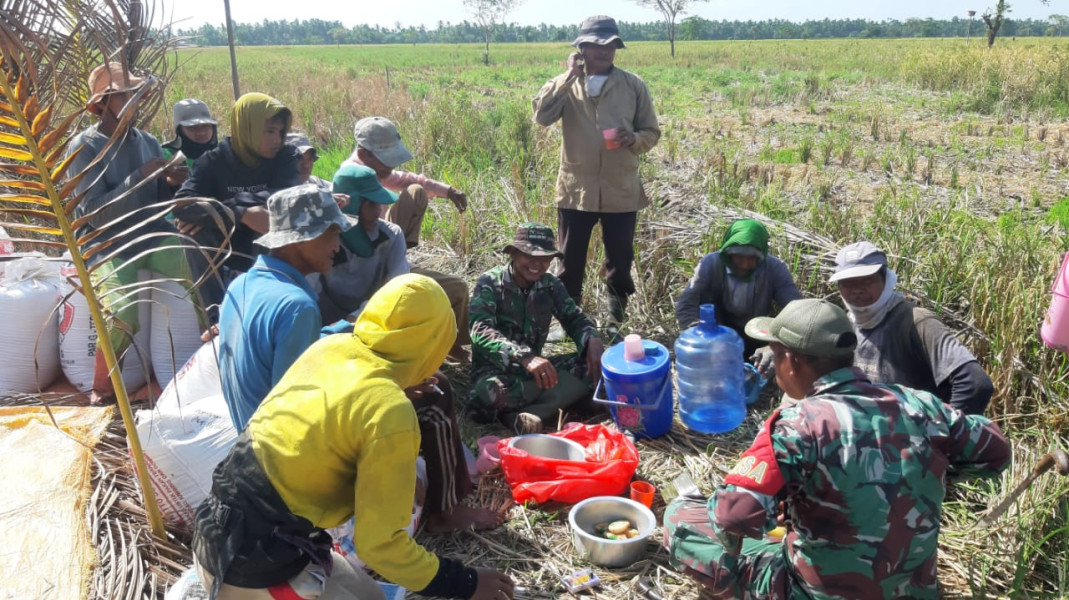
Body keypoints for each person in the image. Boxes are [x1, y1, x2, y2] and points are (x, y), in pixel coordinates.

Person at [662, 298, 1010, 599]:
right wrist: (929, 470)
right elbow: (996, 451)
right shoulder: (921, 405)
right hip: (913, 591)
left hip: (816, 593)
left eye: (776, 355)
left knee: (680, 515)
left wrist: (769, 516)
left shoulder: (795, 425)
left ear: (792, 362)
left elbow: (732, 516)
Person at [193, 274, 513, 600]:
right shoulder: (390, 411)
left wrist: (399, 382)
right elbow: (381, 546)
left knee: (371, 595)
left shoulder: (331, 347)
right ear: (435, 343)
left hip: (217, 530)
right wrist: (466, 582)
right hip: (252, 565)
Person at [66, 62, 207, 403]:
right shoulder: (84, 147)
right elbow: (94, 215)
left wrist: (172, 183)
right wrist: (140, 176)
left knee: (201, 273)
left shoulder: (147, 141)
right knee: (123, 311)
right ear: (102, 104)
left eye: (135, 94)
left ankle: (210, 360)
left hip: (151, 234)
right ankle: (102, 387)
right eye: (124, 95)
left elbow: (158, 206)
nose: (134, 101)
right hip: (107, 244)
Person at [532, 15, 660, 336]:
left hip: (621, 188)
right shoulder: (566, 84)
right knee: (569, 261)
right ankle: (569, 324)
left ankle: (615, 321)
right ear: (582, 48)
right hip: (576, 189)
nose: (604, 51)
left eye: (610, 45)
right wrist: (568, 77)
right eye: (596, 45)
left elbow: (651, 131)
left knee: (620, 259)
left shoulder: (633, 85)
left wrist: (634, 139)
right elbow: (542, 116)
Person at [217, 184, 355, 431]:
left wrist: (342, 330)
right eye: (331, 234)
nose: (337, 246)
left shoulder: (240, 285)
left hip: (246, 439)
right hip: (278, 448)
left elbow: (271, 354)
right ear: (298, 240)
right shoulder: (297, 306)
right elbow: (294, 411)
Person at [343, 116, 473, 360]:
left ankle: (452, 342)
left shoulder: (389, 229)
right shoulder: (349, 183)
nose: (391, 167)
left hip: (388, 257)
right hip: (367, 273)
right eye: (386, 159)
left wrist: (447, 191)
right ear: (363, 154)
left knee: (457, 288)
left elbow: (409, 180)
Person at [468, 223, 604, 435]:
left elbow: (573, 318)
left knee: (593, 366)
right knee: (489, 395)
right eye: (529, 255)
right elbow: (480, 330)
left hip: (536, 373)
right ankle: (558, 404)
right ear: (513, 253)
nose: (537, 264)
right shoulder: (490, 282)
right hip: (496, 372)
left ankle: (528, 413)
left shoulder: (550, 285)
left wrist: (591, 338)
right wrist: (523, 356)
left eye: (545, 258)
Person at [830, 241, 994, 415]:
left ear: (885, 278)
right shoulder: (844, 324)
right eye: (847, 283)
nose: (857, 290)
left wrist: (947, 428)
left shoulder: (916, 322)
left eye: (867, 280)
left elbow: (975, 383)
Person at [174, 92, 302, 274]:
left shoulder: (286, 156)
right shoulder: (213, 161)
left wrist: (230, 205)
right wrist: (240, 214)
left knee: (274, 215)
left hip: (274, 247)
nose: (278, 140)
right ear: (247, 128)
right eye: (270, 131)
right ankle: (214, 292)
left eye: (281, 132)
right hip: (228, 246)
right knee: (192, 229)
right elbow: (182, 203)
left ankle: (274, 281)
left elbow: (287, 195)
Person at [675, 218, 802, 364]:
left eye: (752, 258)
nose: (745, 264)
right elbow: (687, 303)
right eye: (739, 256)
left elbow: (796, 310)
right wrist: (699, 334)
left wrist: (776, 346)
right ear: (728, 253)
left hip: (756, 332)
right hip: (717, 330)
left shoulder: (775, 268)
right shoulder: (711, 264)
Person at [313, 163, 407, 324]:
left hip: (372, 320)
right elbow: (309, 291)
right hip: (323, 327)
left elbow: (400, 288)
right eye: (371, 204)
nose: (378, 211)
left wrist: (358, 316)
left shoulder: (391, 236)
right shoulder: (319, 240)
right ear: (352, 206)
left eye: (379, 204)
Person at [161, 98, 218, 173]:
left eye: (205, 126)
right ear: (179, 130)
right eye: (192, 127)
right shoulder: (166, 156)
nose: (201, 132)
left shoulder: (223, 155)